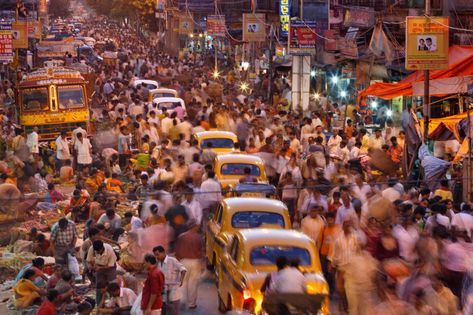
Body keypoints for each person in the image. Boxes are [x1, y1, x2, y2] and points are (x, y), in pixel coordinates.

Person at [174, 221, 203, 309]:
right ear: (194, 227)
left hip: (183, 261)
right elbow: (201, 251)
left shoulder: (181, 237)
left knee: (183, 282)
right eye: (197, 226)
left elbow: (177, 251)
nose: (198, 227)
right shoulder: (198, 237)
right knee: (193, 283)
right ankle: (192, 303)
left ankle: (182, 301)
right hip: (195, 262)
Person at [153, 245, 187, 315]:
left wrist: (181, 280)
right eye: (155, 255)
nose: (156, 257)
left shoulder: (172, 260)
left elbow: (183, 269)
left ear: (163, 252)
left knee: (173, 312)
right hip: (163, 294)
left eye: (157, 255)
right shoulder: (159, 263)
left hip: (174, 293)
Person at [87, 240, 118, 305]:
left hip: (110, 268)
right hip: (99, 268)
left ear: (102, 248)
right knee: (99, 287)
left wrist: (100, 268)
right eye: (96, 251)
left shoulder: (109, 249)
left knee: (112, 286)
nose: (98, 252)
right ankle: (99, 304)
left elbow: (111, 265)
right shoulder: (92, 249)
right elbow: (89, 261)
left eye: (99, 251)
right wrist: (91, 267)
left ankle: (114, 304)